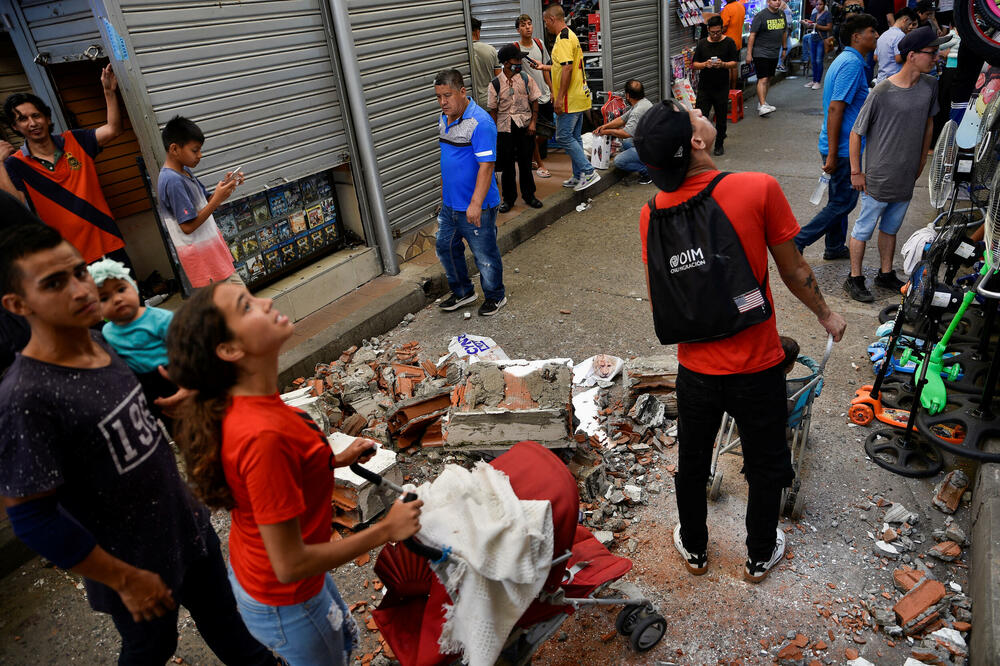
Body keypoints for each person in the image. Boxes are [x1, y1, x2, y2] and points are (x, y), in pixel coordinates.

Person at [0, 222, 275, 666]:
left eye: (78, 272)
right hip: (135, 563)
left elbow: (128, 415)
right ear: (16, 304)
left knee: (227, 620)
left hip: (187, 529)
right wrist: (125, 580)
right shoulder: (25, 398)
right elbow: (31, 515)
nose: (80, 290)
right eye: (54, 284)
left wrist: (183, 399)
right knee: (152, 648)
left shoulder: (101, 340)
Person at [633, 100, 846, 584]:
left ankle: (694, 547)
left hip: (696, 371)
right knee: (766, 462)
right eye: (693, 114)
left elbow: (660, 297)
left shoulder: (651, 215)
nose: (701, 112)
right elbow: (795, 270)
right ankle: (758, 554)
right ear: (697, 141)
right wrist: (826, 314)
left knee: (692, 461)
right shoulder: (757, 189)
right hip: (757, 366)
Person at [166, 282, 423, 666]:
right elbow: (289, 564)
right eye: (247, 306)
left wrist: (331, 460)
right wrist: (386, 530)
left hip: (273, 578)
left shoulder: (252, 404)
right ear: (230, 350)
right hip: (286, 596)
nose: (267, 301)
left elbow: (273, 478)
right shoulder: (262, 437)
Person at [845, 25, 944, 302]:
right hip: (879, 175)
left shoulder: (930, 86)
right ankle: (854, 278)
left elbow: (928, 124)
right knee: (863, 229)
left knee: (892, 227)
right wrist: (856, 172)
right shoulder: (882, 91)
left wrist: (922, 160)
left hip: (906, 174)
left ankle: (885, 273)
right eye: (932, 53)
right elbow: (856, 132)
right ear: (912, 55)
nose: (937, 57)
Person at [0, 66, 130, 268]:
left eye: (36, 115)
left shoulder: (76, 140)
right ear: (15, 127)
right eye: (23, 119)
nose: (32, 123)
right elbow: (17, 203)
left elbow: (113, 129)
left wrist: (109, 92)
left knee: (130, 299)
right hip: (66, 259)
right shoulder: (15, 165)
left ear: (48, 118)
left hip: (108, 243)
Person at [794, 13, 879, 261]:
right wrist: (833, 153)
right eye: (871, 31)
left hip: (838, 144)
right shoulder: (852, 64)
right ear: (856, 37)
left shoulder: (847, 59)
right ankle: (798, 240)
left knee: (838, 198)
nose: (875, 35)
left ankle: (834, 246)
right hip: (842, 147)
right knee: (844, 202)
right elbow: (835, 108)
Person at [433, 69, 507, 317]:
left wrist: (475, 204)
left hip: (477, 206)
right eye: (439, 97)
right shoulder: (444, 119)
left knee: (484, 255)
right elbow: (448, 159)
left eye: (448, 95)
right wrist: (445, 195)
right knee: (445, 247)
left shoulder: (481, 122)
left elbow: (486, 167)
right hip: (451, 205)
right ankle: (464, 291)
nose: (443, 102)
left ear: (462, 92)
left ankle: (496, 296)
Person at [158, 116, 244, 288]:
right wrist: (217, 199)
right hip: (205, 265)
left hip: (214, 260)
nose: (200, 155)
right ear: (174, 149)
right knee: (241, 309)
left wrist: (225, 188)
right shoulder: (172, 180)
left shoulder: (184, 172)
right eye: (195, 150)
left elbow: (205, 203)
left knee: (242, 308)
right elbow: (187, 226)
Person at [88, 258, 177, 420]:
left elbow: (187, 350)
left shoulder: (161, 319)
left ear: (134, 286)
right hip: (141, 389)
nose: (116, 299)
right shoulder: (107, 332)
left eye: (121, 289)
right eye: (104, 298)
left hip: (172, 375)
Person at [543, 4, 601, 192]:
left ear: (552, 19)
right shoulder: (569, 35)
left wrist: (559, 98)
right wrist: (544, 68)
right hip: (578, 97)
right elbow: (563, 67)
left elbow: (567, 68)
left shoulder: (564, 39)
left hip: (570, 99)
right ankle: (579, 175)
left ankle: (588, 171)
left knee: (563, 136)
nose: (546, 26)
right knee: (574, 136)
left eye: (545, 22)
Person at [487, 44, 543, 213]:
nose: (519, 62)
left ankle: (529, 196)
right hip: (505, 129)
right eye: (516, 60)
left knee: (526, 163)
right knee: (507, 166)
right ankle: (508, 199)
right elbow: (493, 111)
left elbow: (534, 100)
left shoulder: (526, 79)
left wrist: (533, 122)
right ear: (505, 63)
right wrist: (496, 134)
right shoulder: (495, 84)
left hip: (525, 126)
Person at [692, 17, 740, 155]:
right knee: (701, 117)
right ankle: (701, 144)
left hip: (721, 87)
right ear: (708, 30)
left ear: (722, 29)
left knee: (721, 117)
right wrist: (705, 64)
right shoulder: (702, 44)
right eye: (713, 32)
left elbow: (734, 63)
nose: (715, 35)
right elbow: (695, 65)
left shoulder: (729, 42)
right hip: (704, 87)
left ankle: (719, 144)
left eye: (718, 32)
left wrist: (723, 64)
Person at [515, 14, 554, 179]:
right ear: (518, 29)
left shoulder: (540, 44)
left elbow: (546, 68)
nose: (528, 27)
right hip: (529, 97)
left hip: (545, 94)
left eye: (530, 24)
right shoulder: (515, 48)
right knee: (532, 131)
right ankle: (540, 164)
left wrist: (552, 89)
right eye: (523, 25)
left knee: (548, 131)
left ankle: (527, 152)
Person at [594, 80, 654, 181]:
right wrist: (605, 126)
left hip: (650, 149)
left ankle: (648, 171)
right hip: (649, 143)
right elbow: (622, 119)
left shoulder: (637, 111)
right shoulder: (643, 103)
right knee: (626, 143)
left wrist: (607, 131)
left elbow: (626, 133)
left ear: (627, 95)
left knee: (619, 161)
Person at [746, 0, 789, 116]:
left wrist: (784, 48)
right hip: (761, 52)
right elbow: (752, 35)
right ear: (768, 2)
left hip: (774, 52)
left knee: (769, 78)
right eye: (774, 0)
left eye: (779, 0)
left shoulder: (781, 14)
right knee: (763, 78)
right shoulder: (761, 15)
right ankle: (762, 106)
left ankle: (762, 103)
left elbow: (784, 32)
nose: (778, 2)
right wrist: (749, 53)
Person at [875, 8, 917, 83]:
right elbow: (898, 59)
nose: (909, 27)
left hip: (881, 79)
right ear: (905, 20)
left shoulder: (884, 35)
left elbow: (875, 57)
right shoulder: (900, 35)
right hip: (894, 79)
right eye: (909, 23)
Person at [802, 0, 833, 90]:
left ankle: (818, 81)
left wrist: (817, 26)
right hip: (813, 38)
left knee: (819, 60)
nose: (818, 6)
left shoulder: (827, 14)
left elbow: (829, 27)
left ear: (824, 5)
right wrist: (807, 23)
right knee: (813, 61)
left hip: (821, 40)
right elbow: (811, 26)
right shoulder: (814, 14)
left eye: (820, 4)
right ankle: (814, 80)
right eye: (817, 5)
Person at [471, 17, 501, 110]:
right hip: (489, 101)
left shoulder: (462, 52)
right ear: (477, 31)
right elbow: (499, 77)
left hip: (470, 104)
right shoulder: (491, 50)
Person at [721, 0, 748, 88]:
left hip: (727, 42)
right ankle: (733, 89)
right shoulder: (741, 6)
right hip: (737, 42)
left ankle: (727, 90)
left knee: (727, 67)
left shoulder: (727, 8)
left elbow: (724, 27)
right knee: (734, 67)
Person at [776, 1, 795, 72]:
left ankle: (779, 63)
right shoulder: (782, 3)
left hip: (788, 27)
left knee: (788, 46)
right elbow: (777, 12)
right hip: (784, 27)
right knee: (784, 46)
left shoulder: (785, 3)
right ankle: (779, 64)